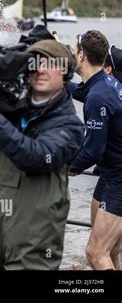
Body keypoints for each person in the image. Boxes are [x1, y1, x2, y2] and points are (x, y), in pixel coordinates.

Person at [0, 40, 84, 269]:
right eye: (34, 63)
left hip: (35, 236)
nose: (41, 69)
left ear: (65, 73)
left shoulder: (70, 126)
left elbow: (36, 157)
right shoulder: (7, 108)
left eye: (51, 63)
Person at [67, 31, 122, 270]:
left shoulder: (98, 97)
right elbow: (80, 91)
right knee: (112, 250)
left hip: (119, 177)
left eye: (72, 50)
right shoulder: (104, 83)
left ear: (81, 55)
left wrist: (68, 167)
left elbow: (93, 151)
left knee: (96, 252)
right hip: (111, 173)